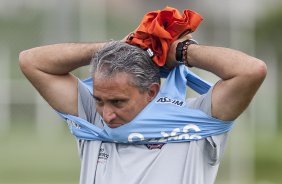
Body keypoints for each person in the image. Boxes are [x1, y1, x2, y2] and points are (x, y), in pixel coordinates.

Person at [19, 32, 267, 183]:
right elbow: (31, 61)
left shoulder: (198, 118)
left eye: (118, 102)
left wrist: (181, 51)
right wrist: (114, 48)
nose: (106, 114)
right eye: (99, 100)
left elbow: (251, 71)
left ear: (151, 92)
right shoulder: (91, 118)